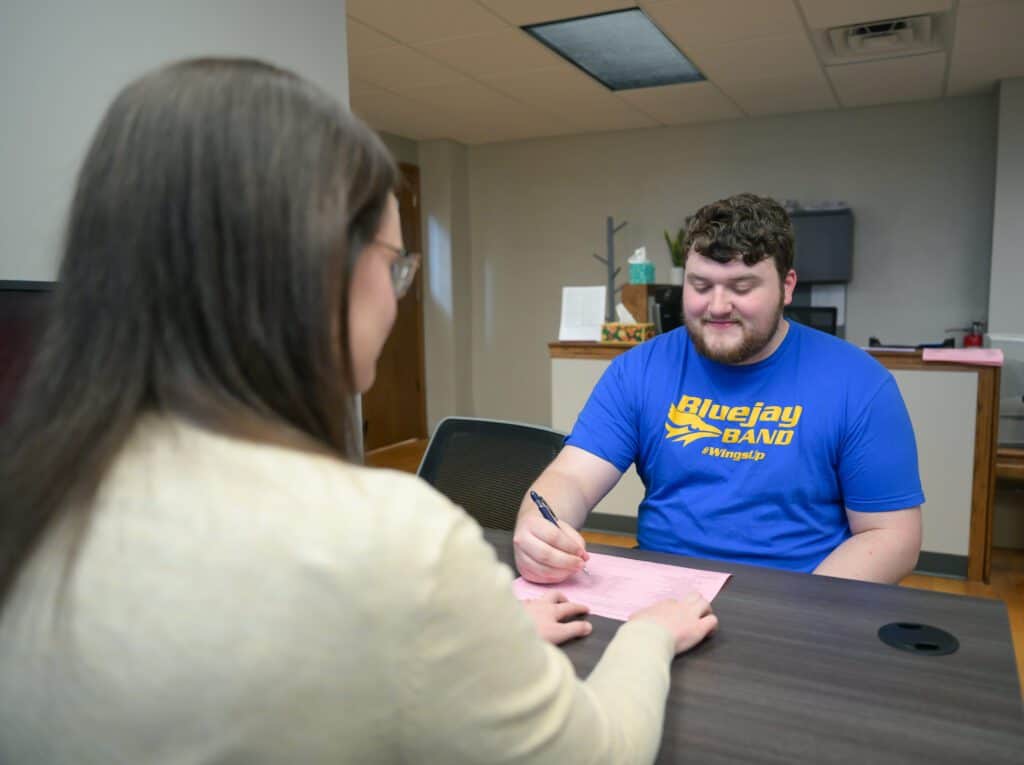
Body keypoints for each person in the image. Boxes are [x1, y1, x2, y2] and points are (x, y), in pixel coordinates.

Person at [0, 59, 717, 764]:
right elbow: (600, 751)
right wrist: (649, 631)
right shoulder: (394, 542)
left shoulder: (33, 497)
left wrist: (464, 641)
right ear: (314, 272)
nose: (398, 297)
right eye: (395, 265)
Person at [514, 193, 923, 586]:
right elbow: (572, 477)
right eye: (701, 285)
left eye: (742, 288)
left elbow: (891, 536)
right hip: (663, 595)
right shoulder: (639, 370)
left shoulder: (859, 383)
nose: (718, 306)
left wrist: (806, 614)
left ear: (787, 285)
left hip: (801, 601)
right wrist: (537, 527)